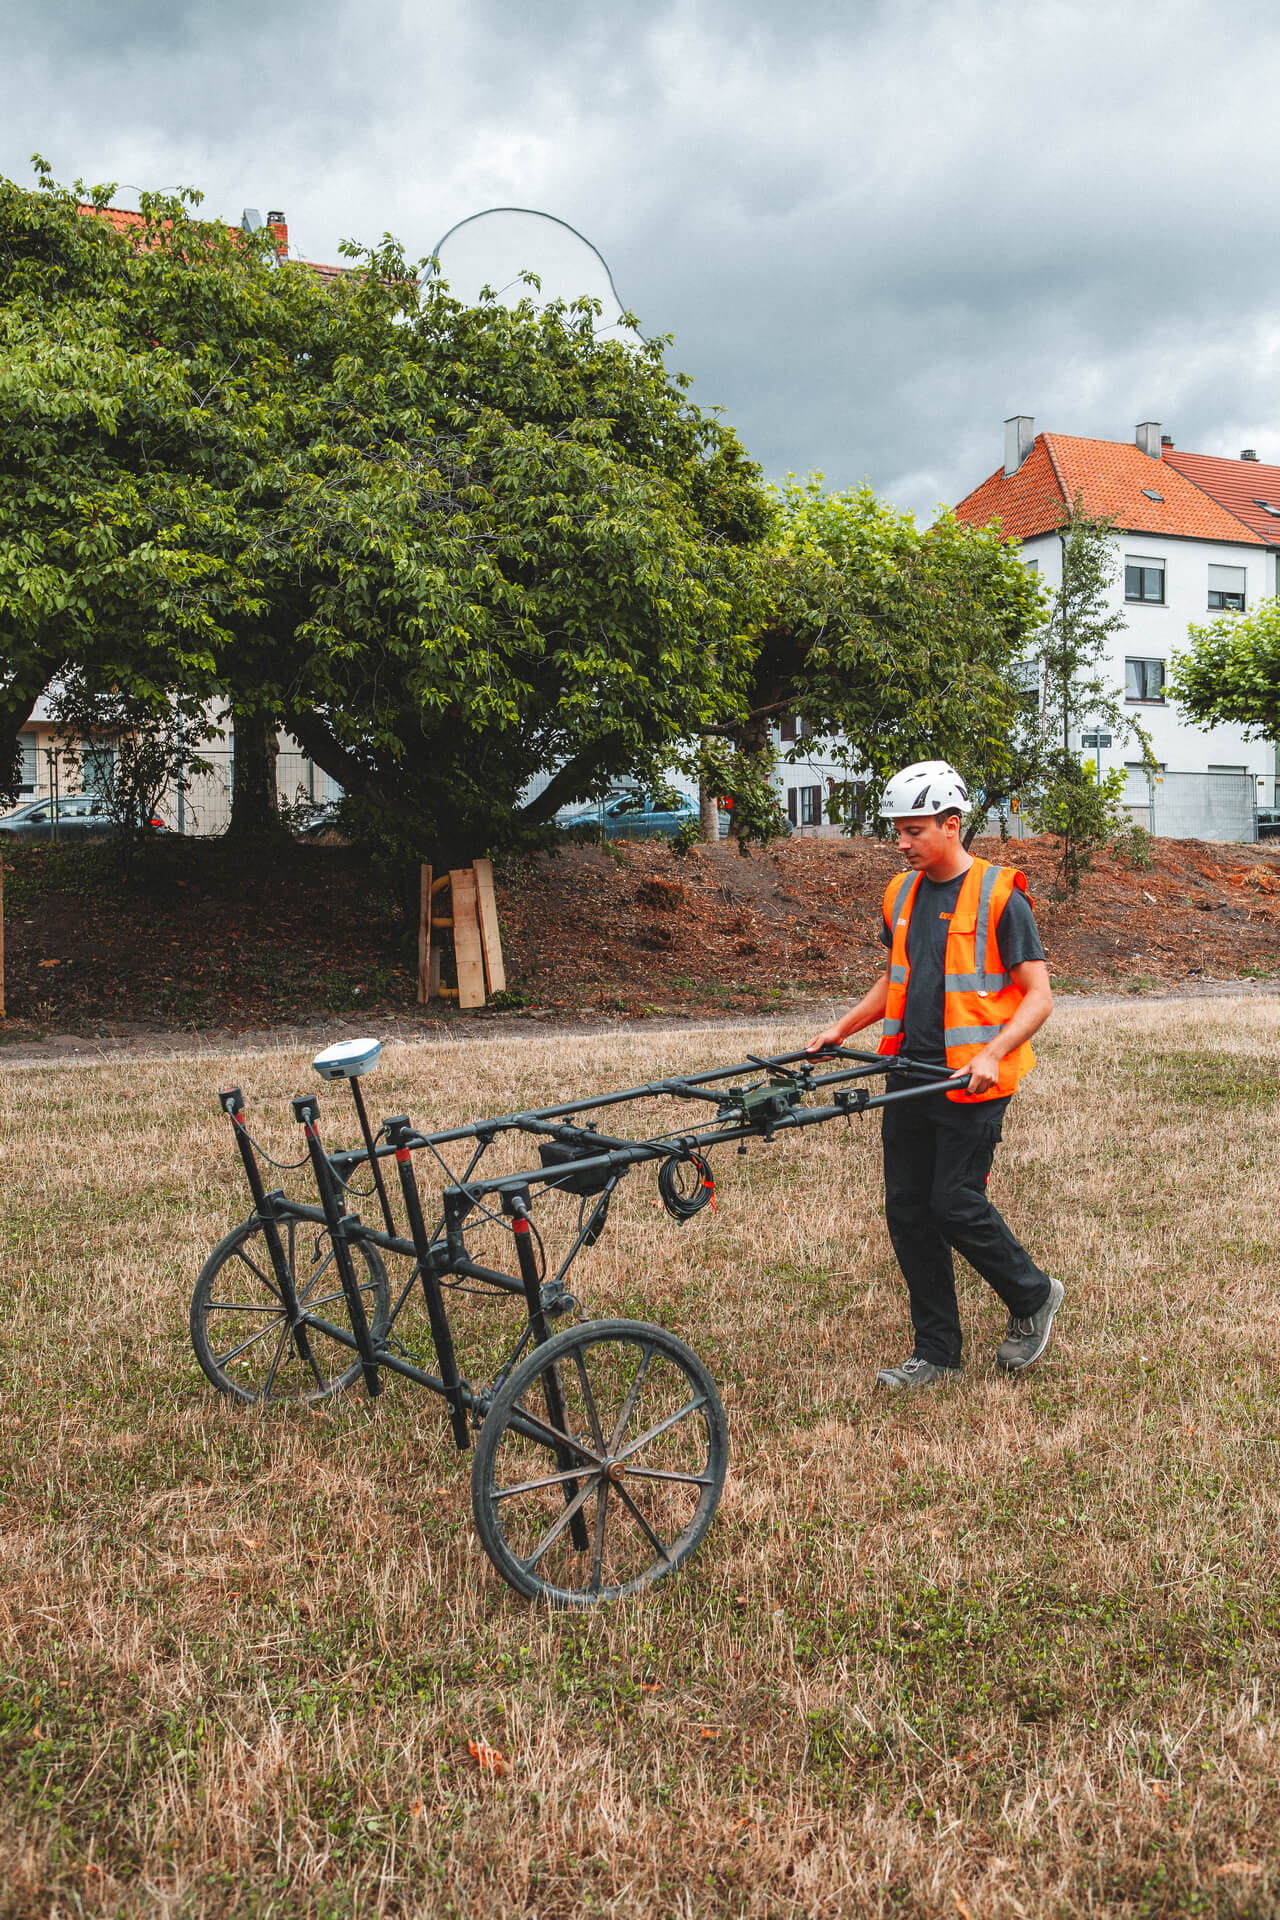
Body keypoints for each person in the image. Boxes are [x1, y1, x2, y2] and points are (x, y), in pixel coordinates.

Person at [807, 760, 1063, 1390]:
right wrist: (844, 1027)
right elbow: (896, 975)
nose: (901, 842)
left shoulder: (1002, 894)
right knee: (908, 1209)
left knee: (953, 1201)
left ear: (952, 826)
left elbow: (1038, 996)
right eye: (897, 830)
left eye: (913, 830)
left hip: (975, 1079)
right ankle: (938, 1353)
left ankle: (1032, 1295)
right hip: (910, 1073)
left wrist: (992, 1053)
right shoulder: (900, 893)